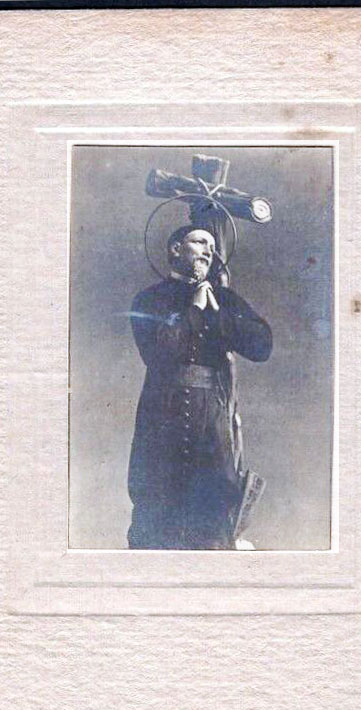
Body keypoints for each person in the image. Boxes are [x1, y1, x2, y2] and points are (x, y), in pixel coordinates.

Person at [127, 226, 272, 550]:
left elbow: (262, 346)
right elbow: (158, 353)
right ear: (176, 249)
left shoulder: (224, 299)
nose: (208, 250)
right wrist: (193, 309)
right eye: (199, 242)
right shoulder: (150, 299)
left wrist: (219, 315)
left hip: (212, 419)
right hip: (163, 412)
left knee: (214, 511)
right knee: (156, 507)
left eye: (211, 245)